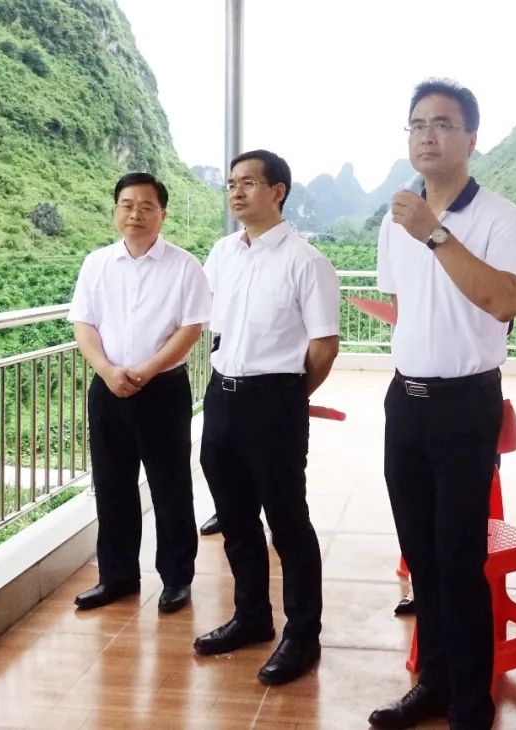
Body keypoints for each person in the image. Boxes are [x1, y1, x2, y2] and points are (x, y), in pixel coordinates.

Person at [367, 79, 516, 730]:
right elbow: (403, 304)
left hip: (465, 405)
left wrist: (434, 233)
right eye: (416, 124)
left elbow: (503, 301)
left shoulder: (499, 217)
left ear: (471, 138)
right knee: (422, 556)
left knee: (460, 562)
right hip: (405, 401)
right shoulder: (396, 218)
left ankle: (471, 702)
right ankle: (432, 684)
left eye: (441, 123)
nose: (426, 135)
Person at [193, 149, 341, 686]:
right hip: (221, 396)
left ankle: (303, 634)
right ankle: (252, 615)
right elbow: (205, 317)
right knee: (234, 518)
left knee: (287, 522)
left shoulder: (307, 261)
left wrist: (288, 398)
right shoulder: (222, 252)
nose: (236, 191)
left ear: (278, 192)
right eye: (232, 183)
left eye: (249, 183)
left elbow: (324, 345)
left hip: (274, 400)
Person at [68, 172, 210, 614]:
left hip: (163, 389)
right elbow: (83, 323)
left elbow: (191, 328)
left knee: (170, 486)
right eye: (127, 205)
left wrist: (146, 371)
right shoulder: (96, 264)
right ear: (116, 210)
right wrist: (107, 371)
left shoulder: (185, 266)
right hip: (107, 388)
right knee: (112, 486)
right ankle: (117, 577)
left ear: (162, 214)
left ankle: (176, 578)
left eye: (146, 207)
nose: (136, 214)